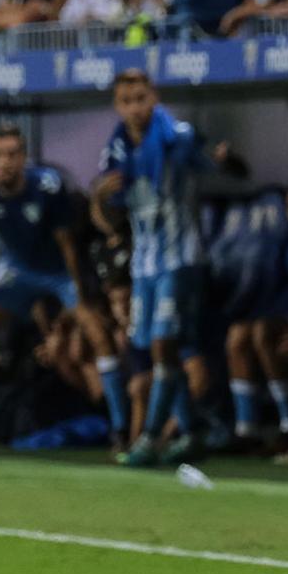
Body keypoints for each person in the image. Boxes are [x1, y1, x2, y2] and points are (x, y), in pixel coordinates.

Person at [0, 124, 118, 459]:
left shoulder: (48, 187)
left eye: (12, 154)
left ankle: (123, 431)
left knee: (96, 330)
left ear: (23, 157)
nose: (5, 162)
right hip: (17, 272)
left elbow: (67, 245)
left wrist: (78, 297)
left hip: (58, 273)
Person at [95, 71, 238, 465]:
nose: (135, 107)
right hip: (144, 265)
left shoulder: (177, 137)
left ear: (154, 97)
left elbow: (219, 164)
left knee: (164, 346)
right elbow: (108, 222)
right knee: (154, 348)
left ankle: (150, 438)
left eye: (141, 98)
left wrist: (223, 160)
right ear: (117, 106)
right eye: (127, 100)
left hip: (181, 260)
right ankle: (190, 433)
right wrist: (99, 197)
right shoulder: (116, 150)